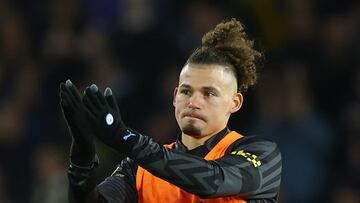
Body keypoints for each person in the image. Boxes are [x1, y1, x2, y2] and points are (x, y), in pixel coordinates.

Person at [59, 19, 282, 203]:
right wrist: (82, 155)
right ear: (175, 97)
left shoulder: (262, 154)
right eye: (186, 91)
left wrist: (126, 138)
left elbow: (213, 181)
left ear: (235, 103)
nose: (194, 102)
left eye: (209, 93)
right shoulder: (139, 169)